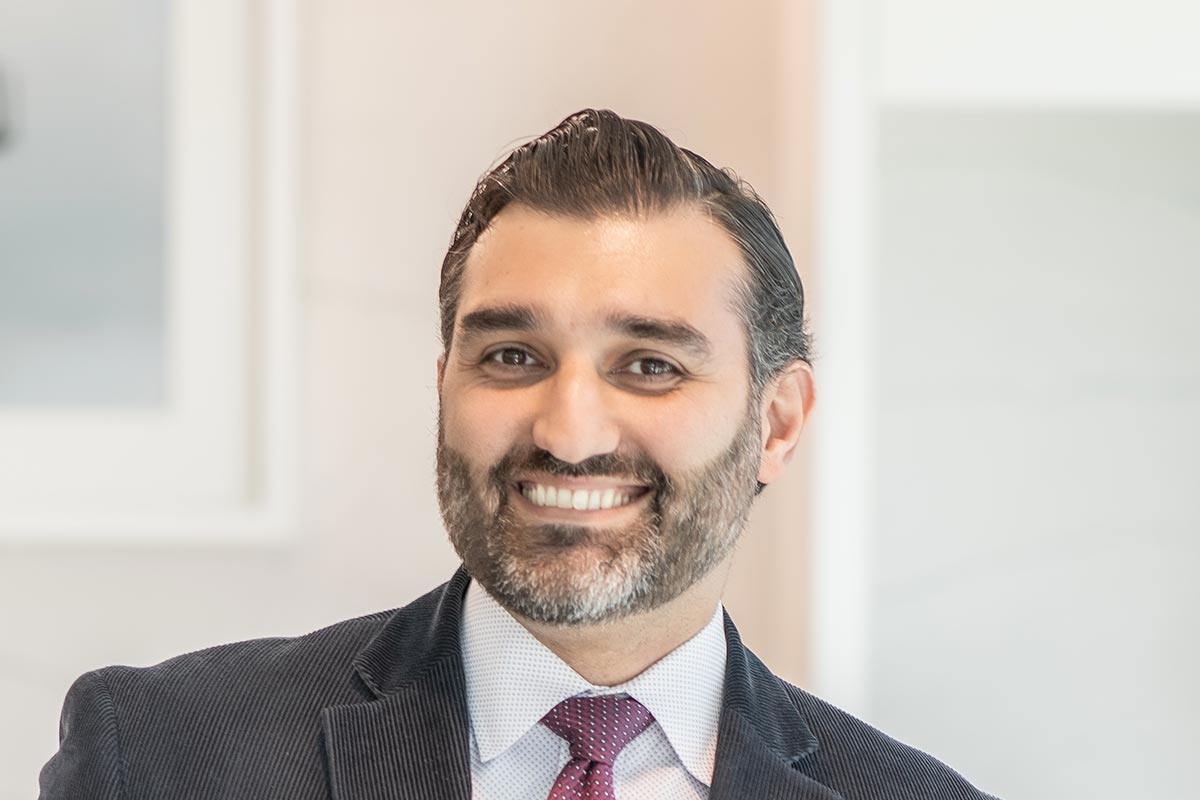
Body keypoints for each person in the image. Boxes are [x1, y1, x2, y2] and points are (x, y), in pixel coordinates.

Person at [40, 109, 996, 799]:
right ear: (445, 379)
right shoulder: (160, 759)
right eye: (511, 357)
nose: (567, 432)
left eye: (650, 365)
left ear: (777, 423)